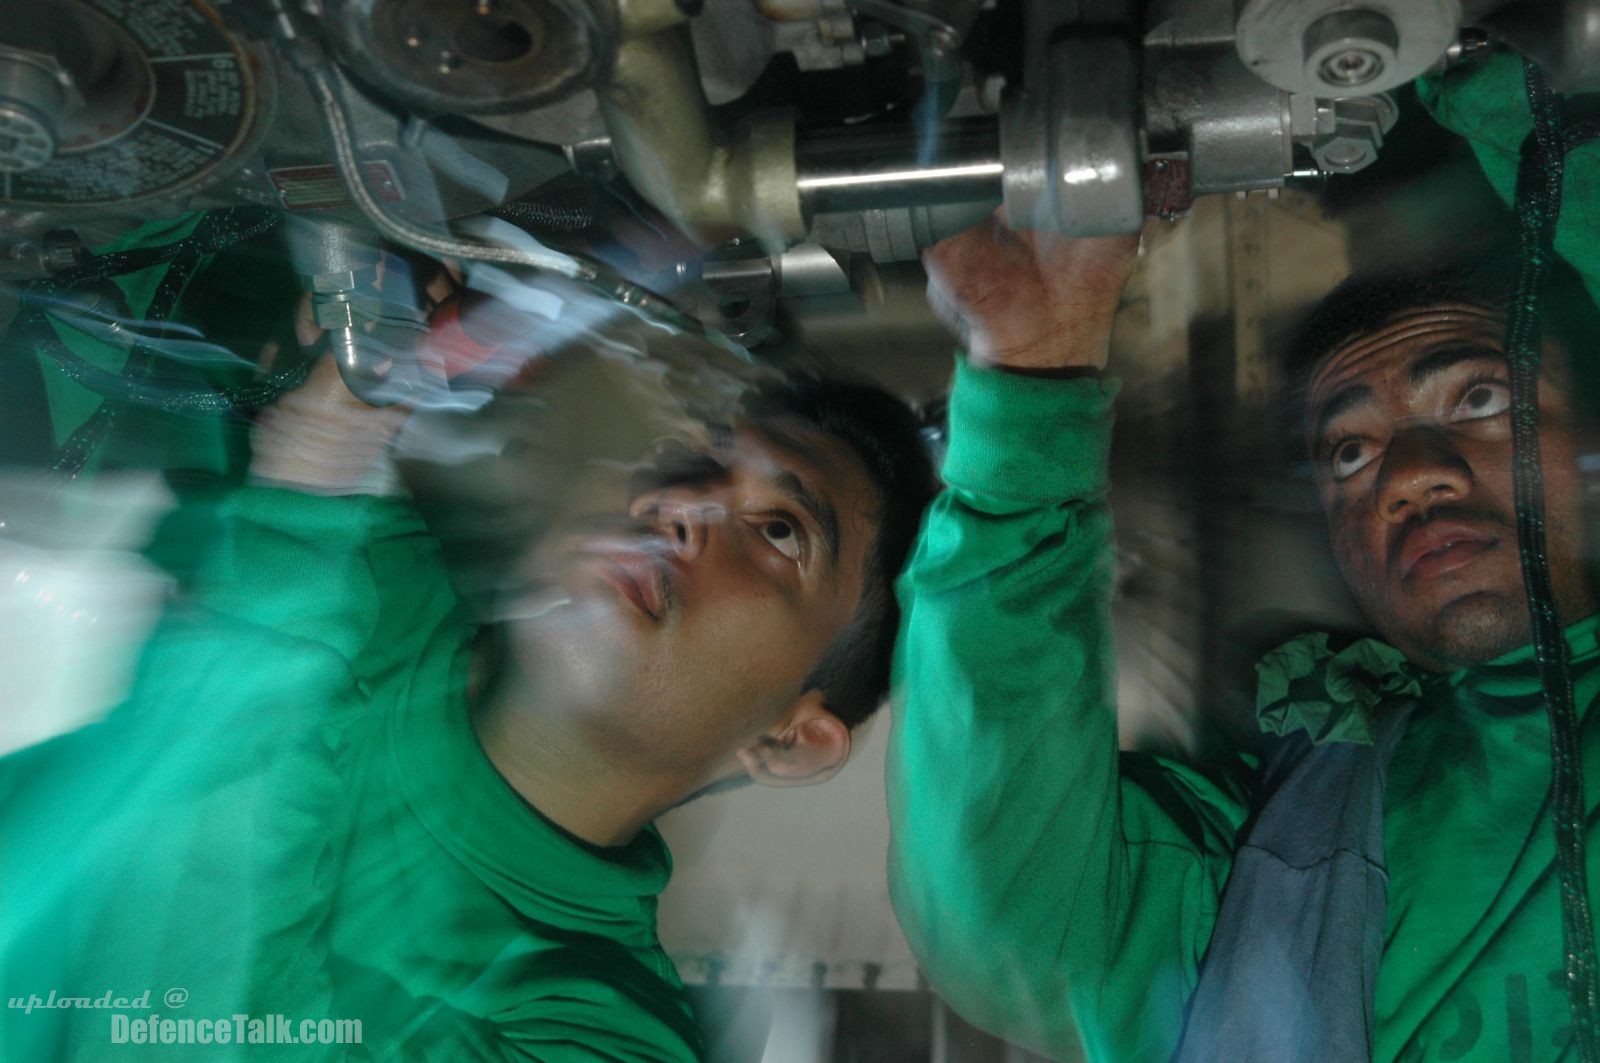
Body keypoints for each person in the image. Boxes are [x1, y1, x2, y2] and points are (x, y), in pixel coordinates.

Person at [0, 258, 939, 1060]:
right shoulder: (362, 551)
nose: (681, 502)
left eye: (780, 531)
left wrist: (311, 473)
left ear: (789, 740)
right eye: (696, 458)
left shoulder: (591, 1031)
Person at [886, 204, 1600, 1059]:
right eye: (1350, 453)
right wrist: (1032, 391)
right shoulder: (1289, 811)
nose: (1412, 477)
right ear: (1341, 543)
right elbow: (1017, 922)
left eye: (1480, 398)